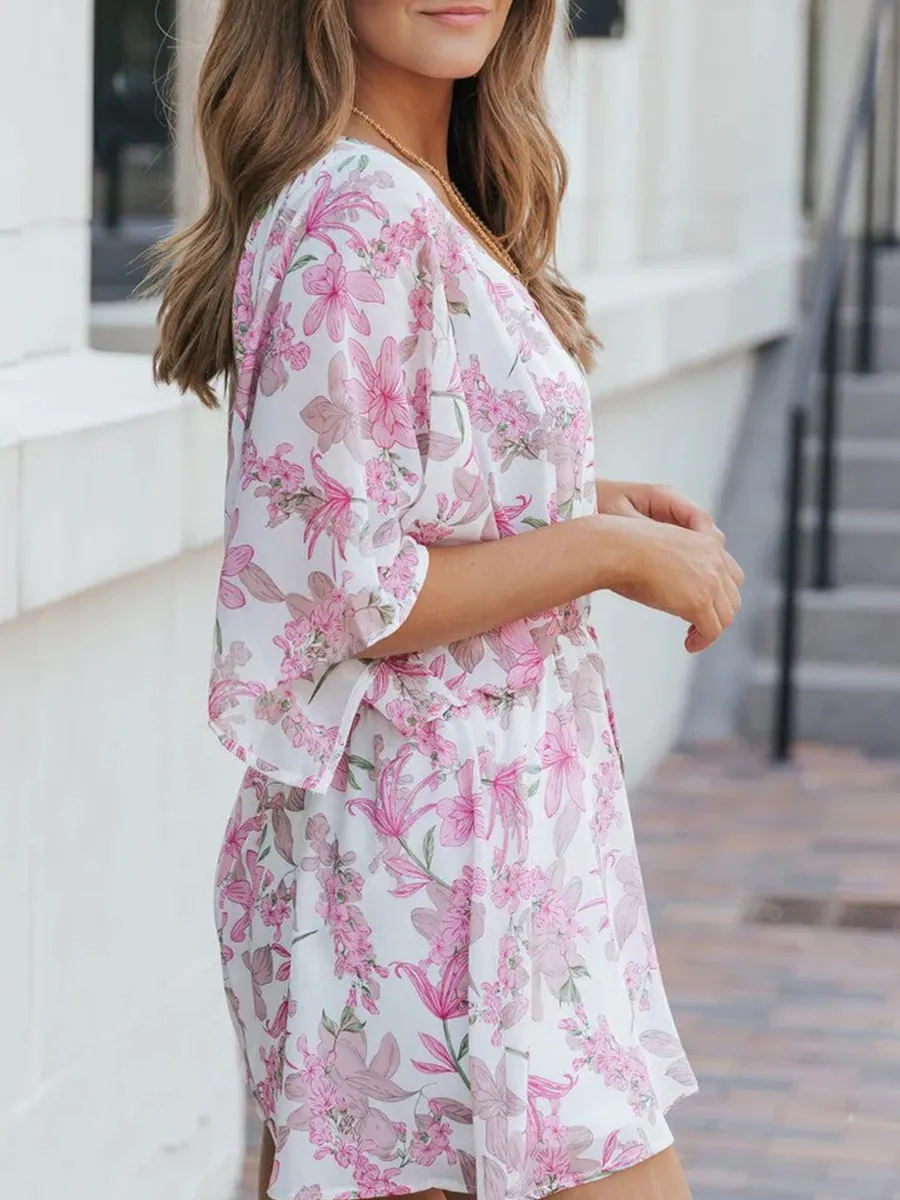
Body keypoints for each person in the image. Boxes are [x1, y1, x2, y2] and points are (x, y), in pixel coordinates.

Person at [152, 2, 744, 1198]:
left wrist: (594, 505)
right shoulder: (356, 210)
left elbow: (402, 491)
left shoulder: (423, 185)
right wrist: (607, 554)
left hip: (485, 859)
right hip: (420, 879)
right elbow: (349, 586)